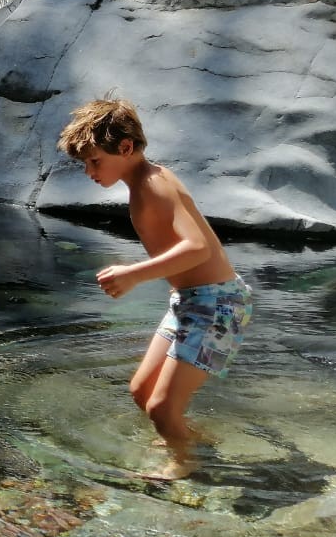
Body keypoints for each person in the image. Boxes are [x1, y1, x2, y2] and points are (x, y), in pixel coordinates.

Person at [58, 98, 252, 480]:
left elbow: (199, 248)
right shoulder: (144, 183)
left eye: (95, 161)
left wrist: (135, 274)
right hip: (191, 301)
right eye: (85, 164)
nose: (88, 171)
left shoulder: (154, 184)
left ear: (125, 148)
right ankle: (193, 442)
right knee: (142, 392)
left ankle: (185, 468)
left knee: (162, 407)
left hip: (218, 303)